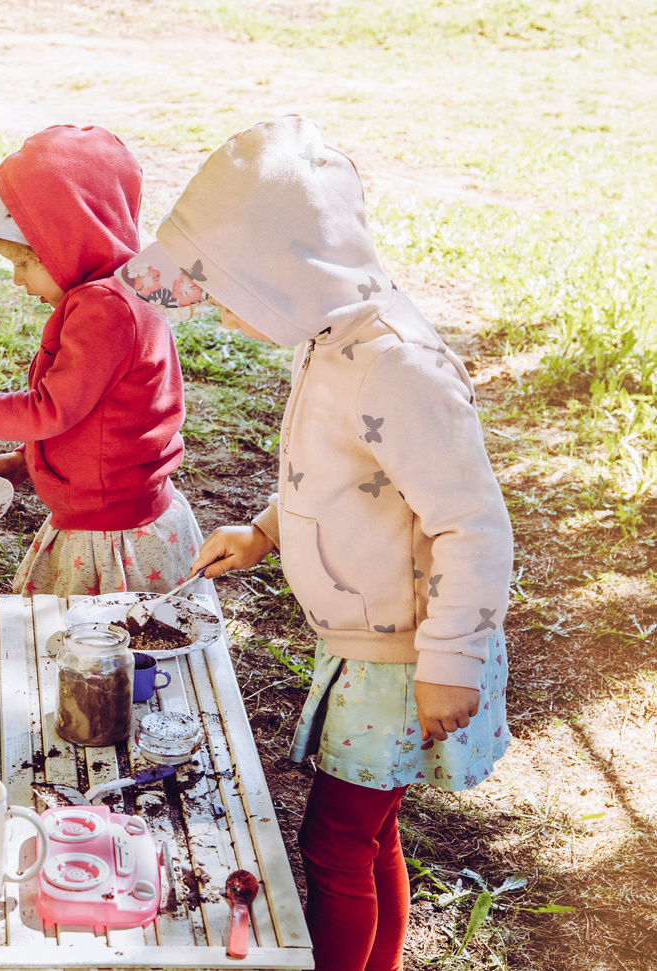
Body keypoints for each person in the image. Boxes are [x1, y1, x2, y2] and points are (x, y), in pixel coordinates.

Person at [116, 115, 513, 971]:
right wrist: (262, 531)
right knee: (368, 831)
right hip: (369, 646)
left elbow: (472, 522)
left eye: (224, 287)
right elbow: (342, 479)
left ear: (285, 273)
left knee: (335, 840)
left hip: (405, 655)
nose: (213, 306)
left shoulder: (399, 368)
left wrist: (450, 656)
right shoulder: (330, 342)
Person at [0, 124, 206, 598]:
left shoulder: (105, 311)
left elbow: (51, 408)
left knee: (95, 651)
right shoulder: (119, 290)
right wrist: (30, 460)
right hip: (109, 511)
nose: (17, 280)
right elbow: (102, 415)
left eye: (25, 263)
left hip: (112, 536)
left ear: (71, 242)